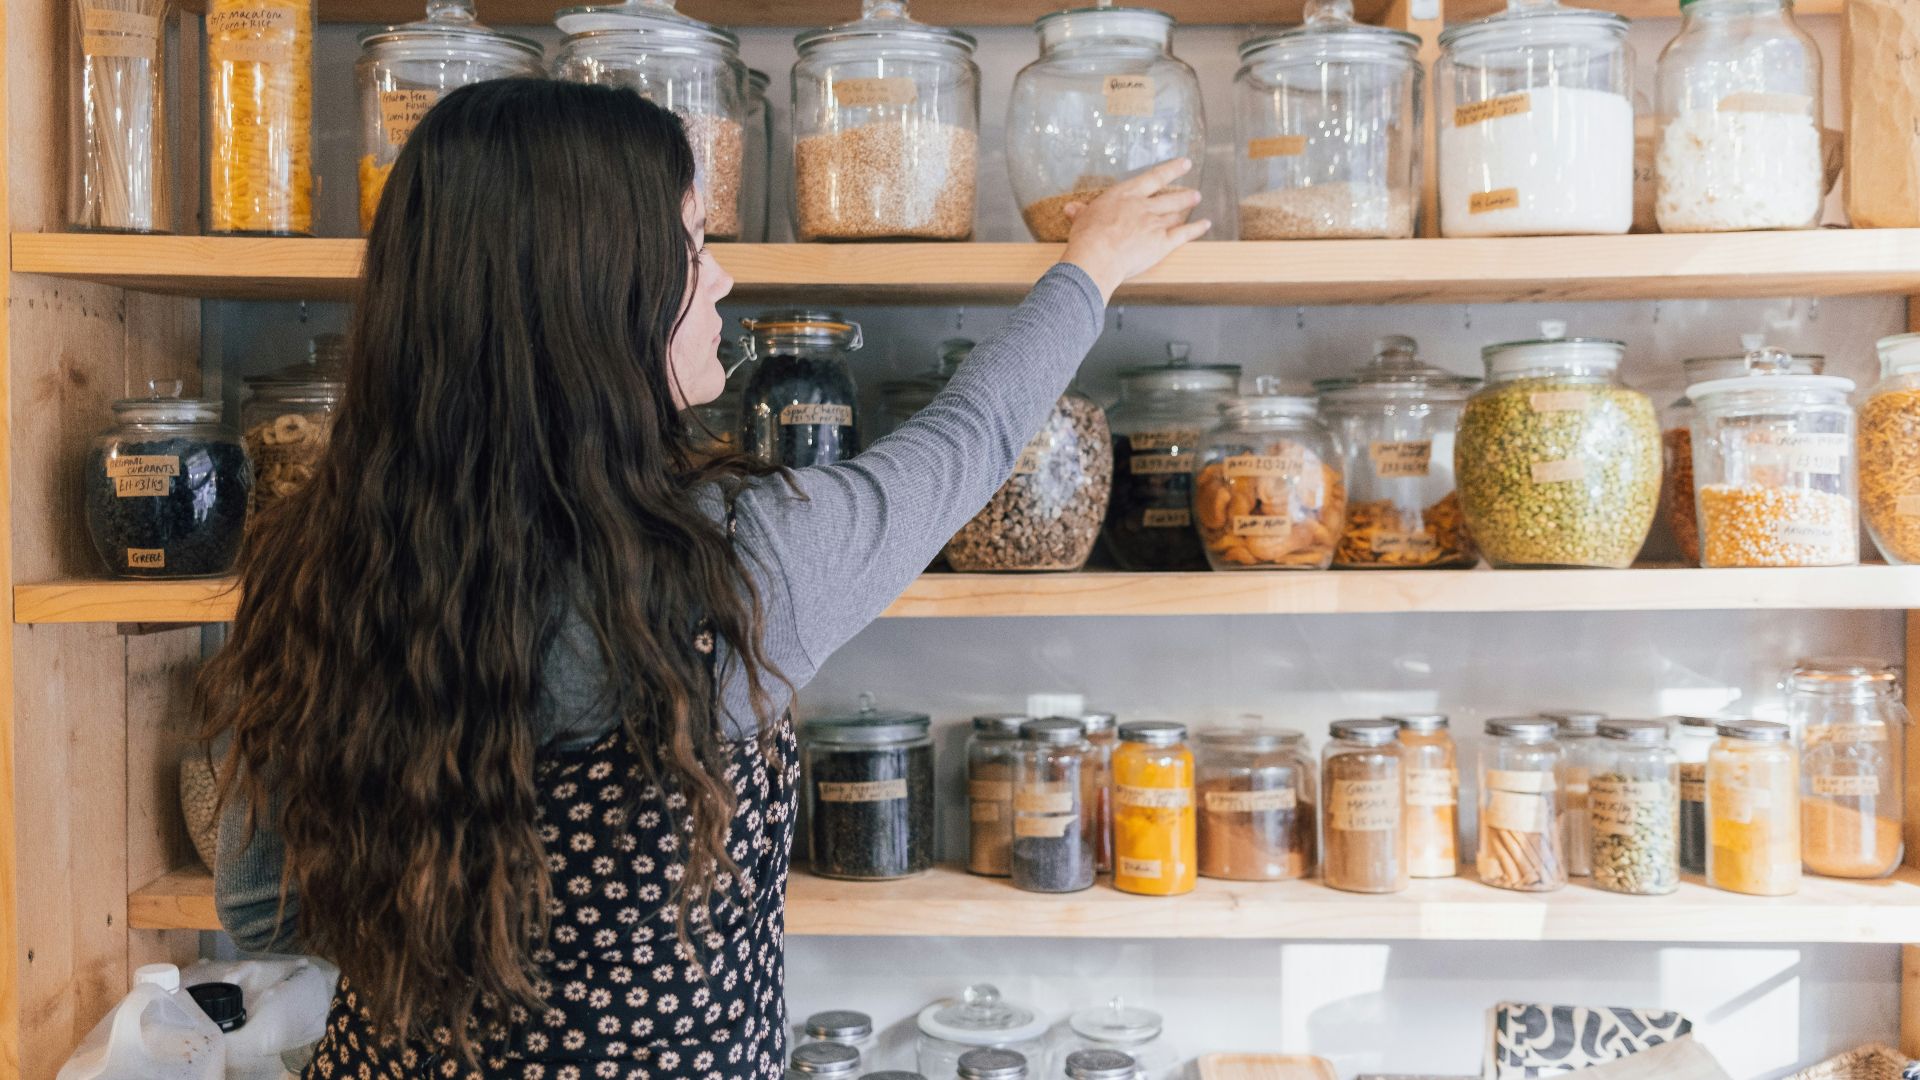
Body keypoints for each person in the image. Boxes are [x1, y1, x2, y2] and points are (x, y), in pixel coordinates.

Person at [201, 78, 1206, 1080]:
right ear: (597, 291)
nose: (721, 281)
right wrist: (1092, 268)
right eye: (692, 248)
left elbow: (259, 911)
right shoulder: (732, 567)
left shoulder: (317, 557)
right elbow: (969, 439)